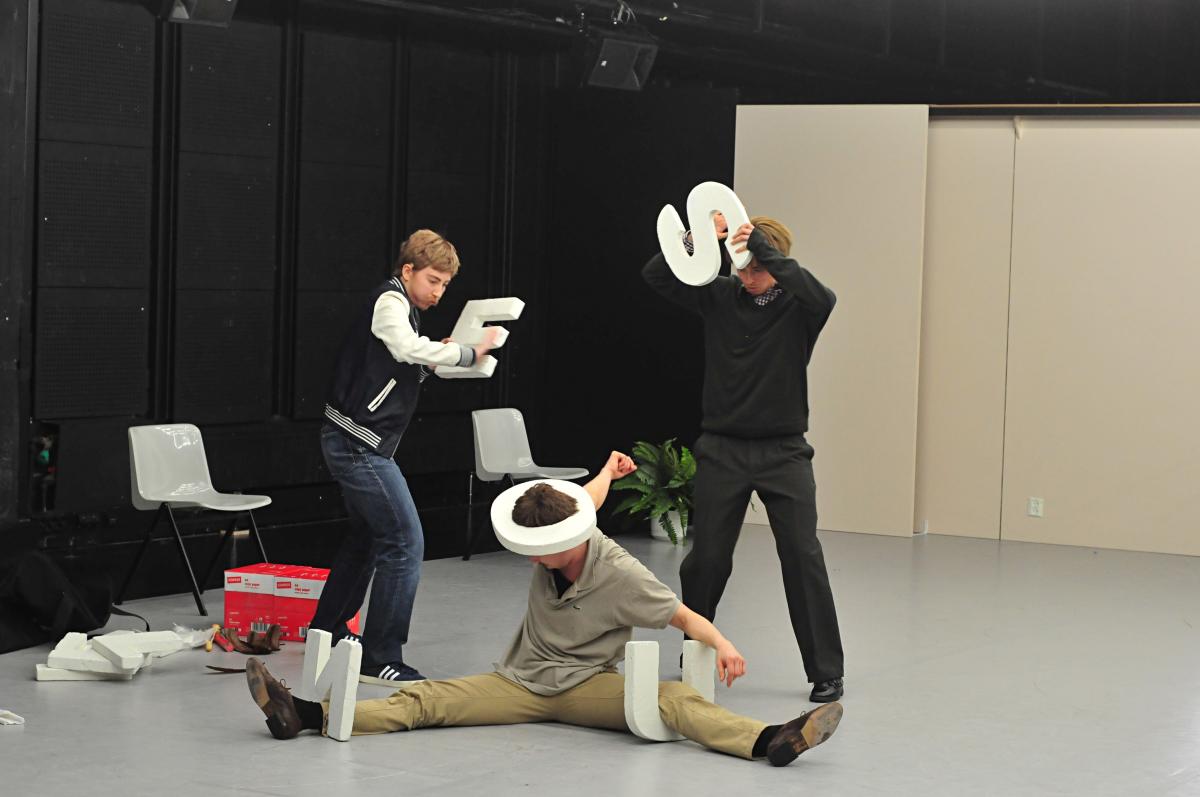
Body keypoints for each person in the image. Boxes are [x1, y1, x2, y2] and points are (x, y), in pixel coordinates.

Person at [245, 452, 843, 766]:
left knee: (674, 702)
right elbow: (586, 499)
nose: (533, 562)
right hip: (520, 679)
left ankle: (771, 741)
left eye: (542, 554)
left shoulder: (623, 576)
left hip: (588, 687)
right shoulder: (563, 524)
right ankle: (304, 714)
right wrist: (607, 470)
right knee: (425, 700)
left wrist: (726, 646)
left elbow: (683, 616)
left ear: (572, 541)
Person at [643, 214, 845, 702]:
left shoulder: (801, 306)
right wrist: (697, 238)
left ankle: (826, 670)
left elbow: (827, 296)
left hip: (785, 452)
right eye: (742, 267)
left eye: (757, 267)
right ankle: (696, 651)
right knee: (707, 559)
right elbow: (656, 274)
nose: (748, 277)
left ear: (775, 263)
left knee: (802, 555)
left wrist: (759, 243)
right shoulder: (718, 297)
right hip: (723, 449)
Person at [309, 229, 499, 686]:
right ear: (408, 270)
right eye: (433, 280)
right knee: (405, 541)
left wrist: (456, 356)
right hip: (359, 444)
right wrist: (467, 350)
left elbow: (417, 359)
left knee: (369, 538)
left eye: (445, 285)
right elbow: (407, 349)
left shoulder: (404, 311)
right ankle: (380, 656)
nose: (438, 291)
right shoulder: (390, 304)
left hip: (356, 442)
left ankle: (325, 632)